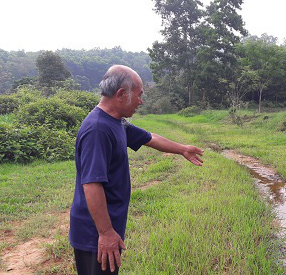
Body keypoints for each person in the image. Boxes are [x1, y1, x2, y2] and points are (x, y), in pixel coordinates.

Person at [69, 65, 203, 274]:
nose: (141, 101)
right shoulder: (98, 129)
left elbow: (149, 137)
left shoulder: (116, 123)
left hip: (106, 227)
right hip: (93, 233)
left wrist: (183, 149)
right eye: (139, 95)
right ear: (121, 94)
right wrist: (105, 233)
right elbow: (92, 184)